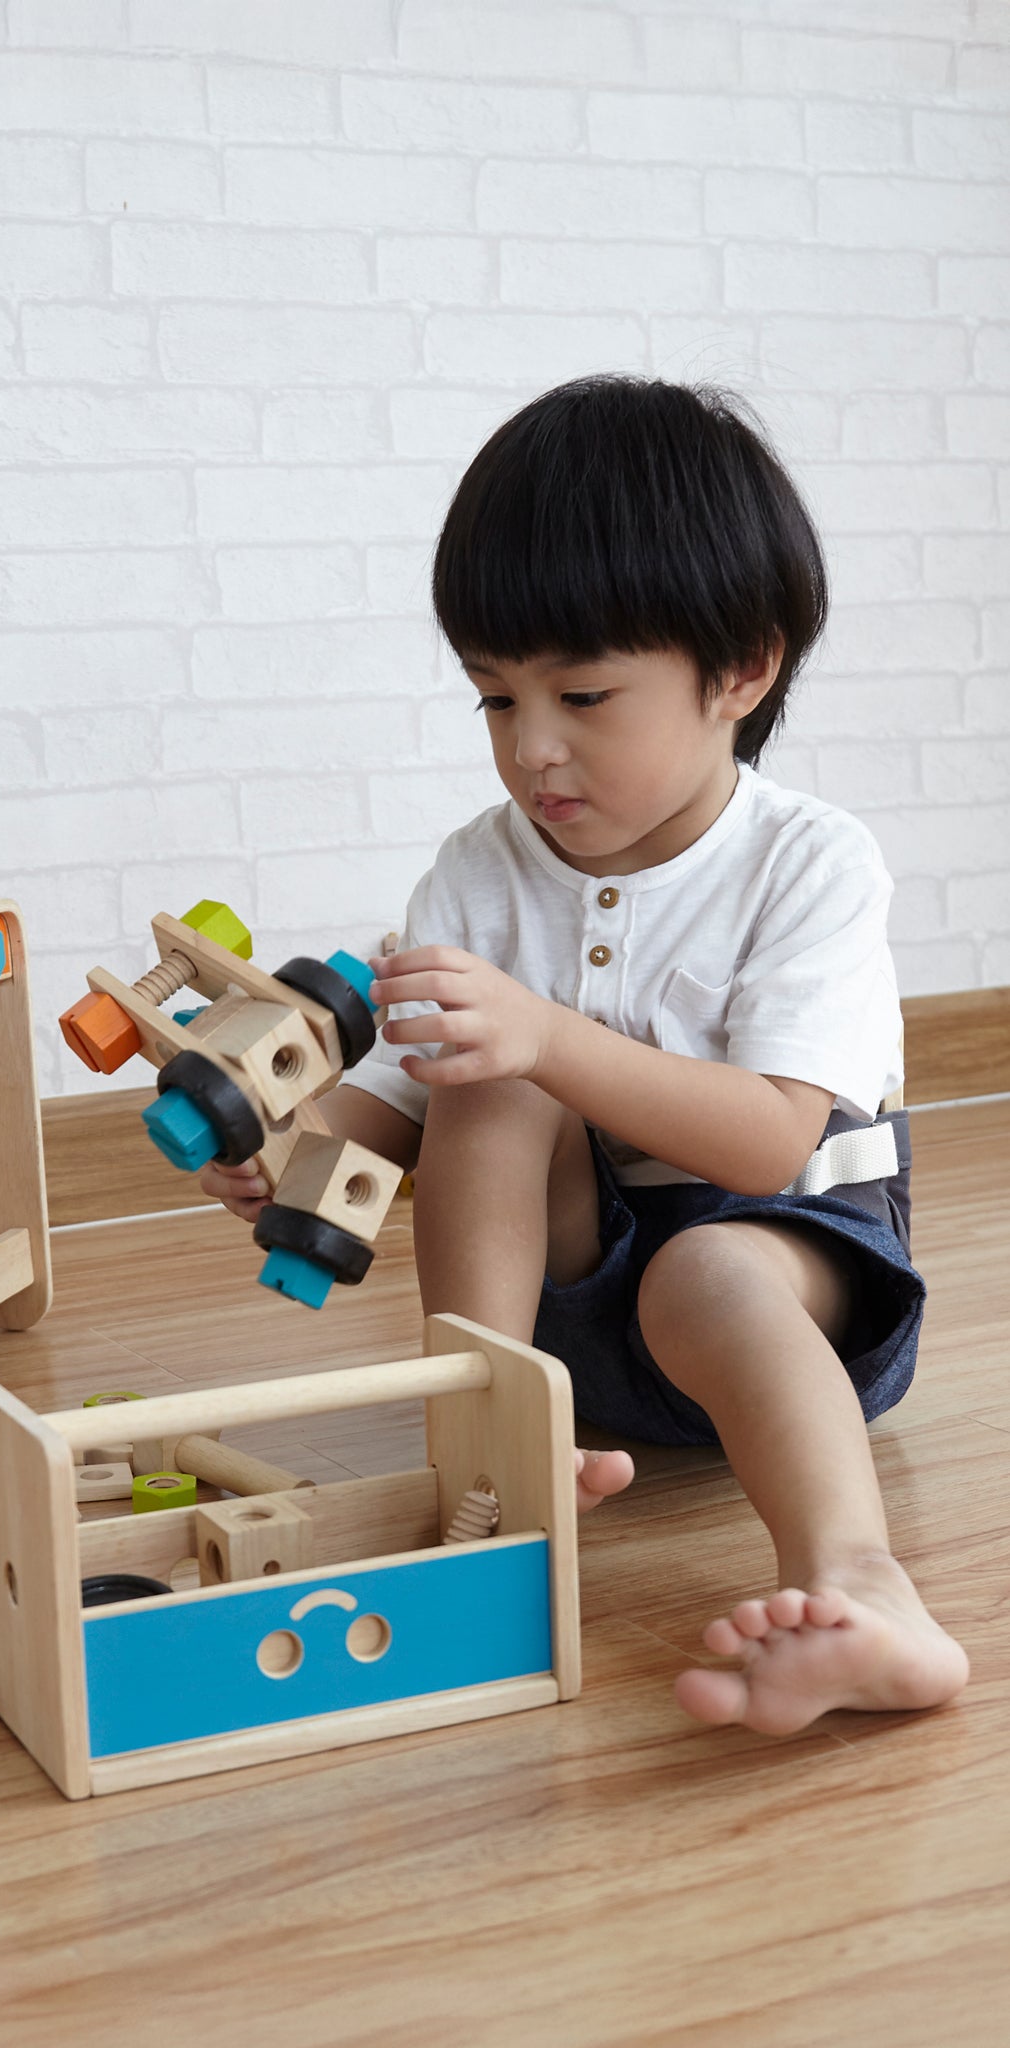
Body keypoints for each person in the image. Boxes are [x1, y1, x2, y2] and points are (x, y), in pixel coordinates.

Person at [204, 375, 968, 1737]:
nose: (531, 752)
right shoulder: (476, 871)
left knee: (700, 1255)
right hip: (562, 1326)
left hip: (778, 1284)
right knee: (480, 1082)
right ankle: (487, 1450)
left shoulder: (808, 864)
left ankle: (862, 1592)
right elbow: (396, 1099)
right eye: (493, 701)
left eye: (583, 695)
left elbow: (768, 1142)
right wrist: (296, 1152)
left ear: (742, 669)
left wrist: (549, 1035)